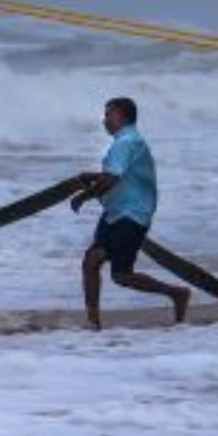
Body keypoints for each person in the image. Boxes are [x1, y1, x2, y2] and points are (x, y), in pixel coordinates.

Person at [70, 96, 190, 330]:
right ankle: (93, 323)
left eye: (109, 114)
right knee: (91, 262)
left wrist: (84, 196)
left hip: (132, 214)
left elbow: (113, 179)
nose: (104, 120)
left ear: (122, 116)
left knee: (122, 275)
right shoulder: (127, 141)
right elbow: (120, 174)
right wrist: (94, 176)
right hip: (116, 212)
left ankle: (177, 294)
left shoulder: (126, 142)